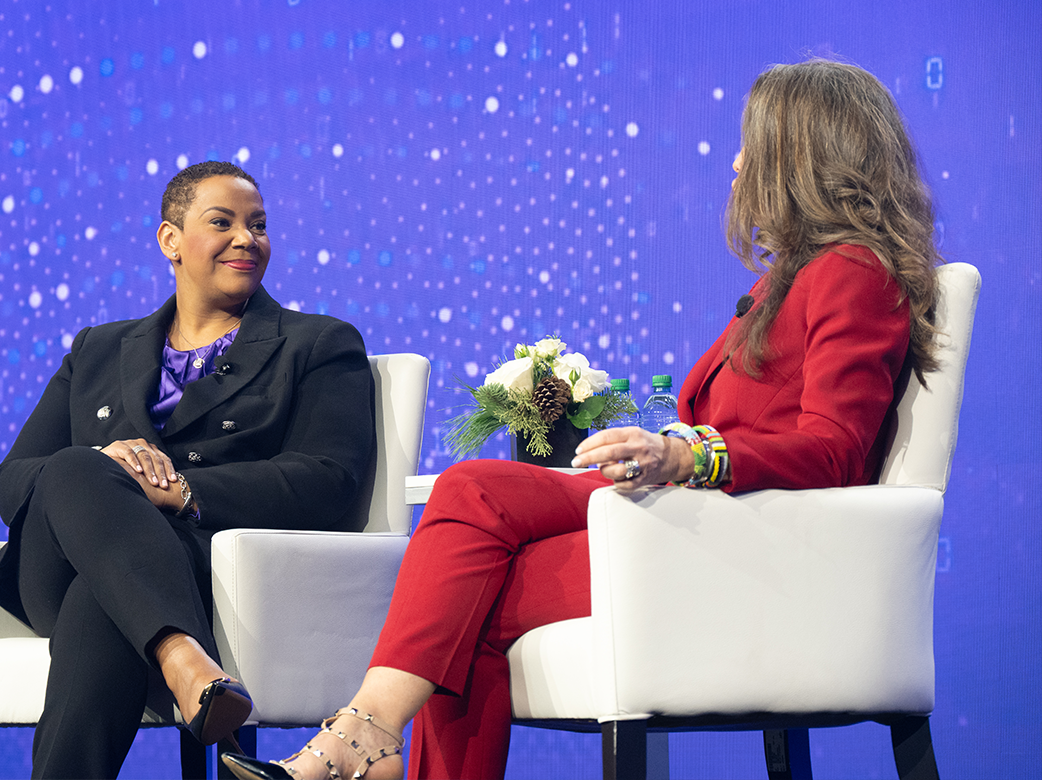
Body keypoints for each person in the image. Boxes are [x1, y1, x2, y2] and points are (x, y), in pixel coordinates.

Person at [223, 59, 942, 780]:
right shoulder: (787, 281)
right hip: (691, 523)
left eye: (751, 145)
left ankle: (361, 737)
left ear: (801, 155)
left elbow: (834, 451)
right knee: (468, 494)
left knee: (458, 606)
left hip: (742, 545)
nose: (736, 164)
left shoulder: (854, 272)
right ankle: (366, 735)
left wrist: (693, 456)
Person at [0, 161, 376, 779]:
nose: (247, 238)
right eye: (222, 222)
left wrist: (185, 492)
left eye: (259, 225)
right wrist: (108, 471)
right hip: (55, 566)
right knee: (78, 466)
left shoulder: (318, 344)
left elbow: (329, 480)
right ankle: (181, 655)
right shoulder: (96, 349)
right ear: (170, 239)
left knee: (102, 603)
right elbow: (10, 479)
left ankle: (172, 648)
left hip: (202, 567)